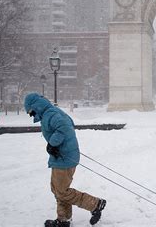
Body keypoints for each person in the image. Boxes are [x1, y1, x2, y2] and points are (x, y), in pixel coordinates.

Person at [24, 93, 106, 227]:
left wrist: (52, 143)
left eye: (31, 112)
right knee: (58, 189)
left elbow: (65, 127)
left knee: (61, 191)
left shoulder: (50, 114)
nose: (32, 116)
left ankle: (95, 204)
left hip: (64, 158)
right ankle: (64, 220)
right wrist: (53, 145)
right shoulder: (49, 113)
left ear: (36, 106)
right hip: (62, 156)